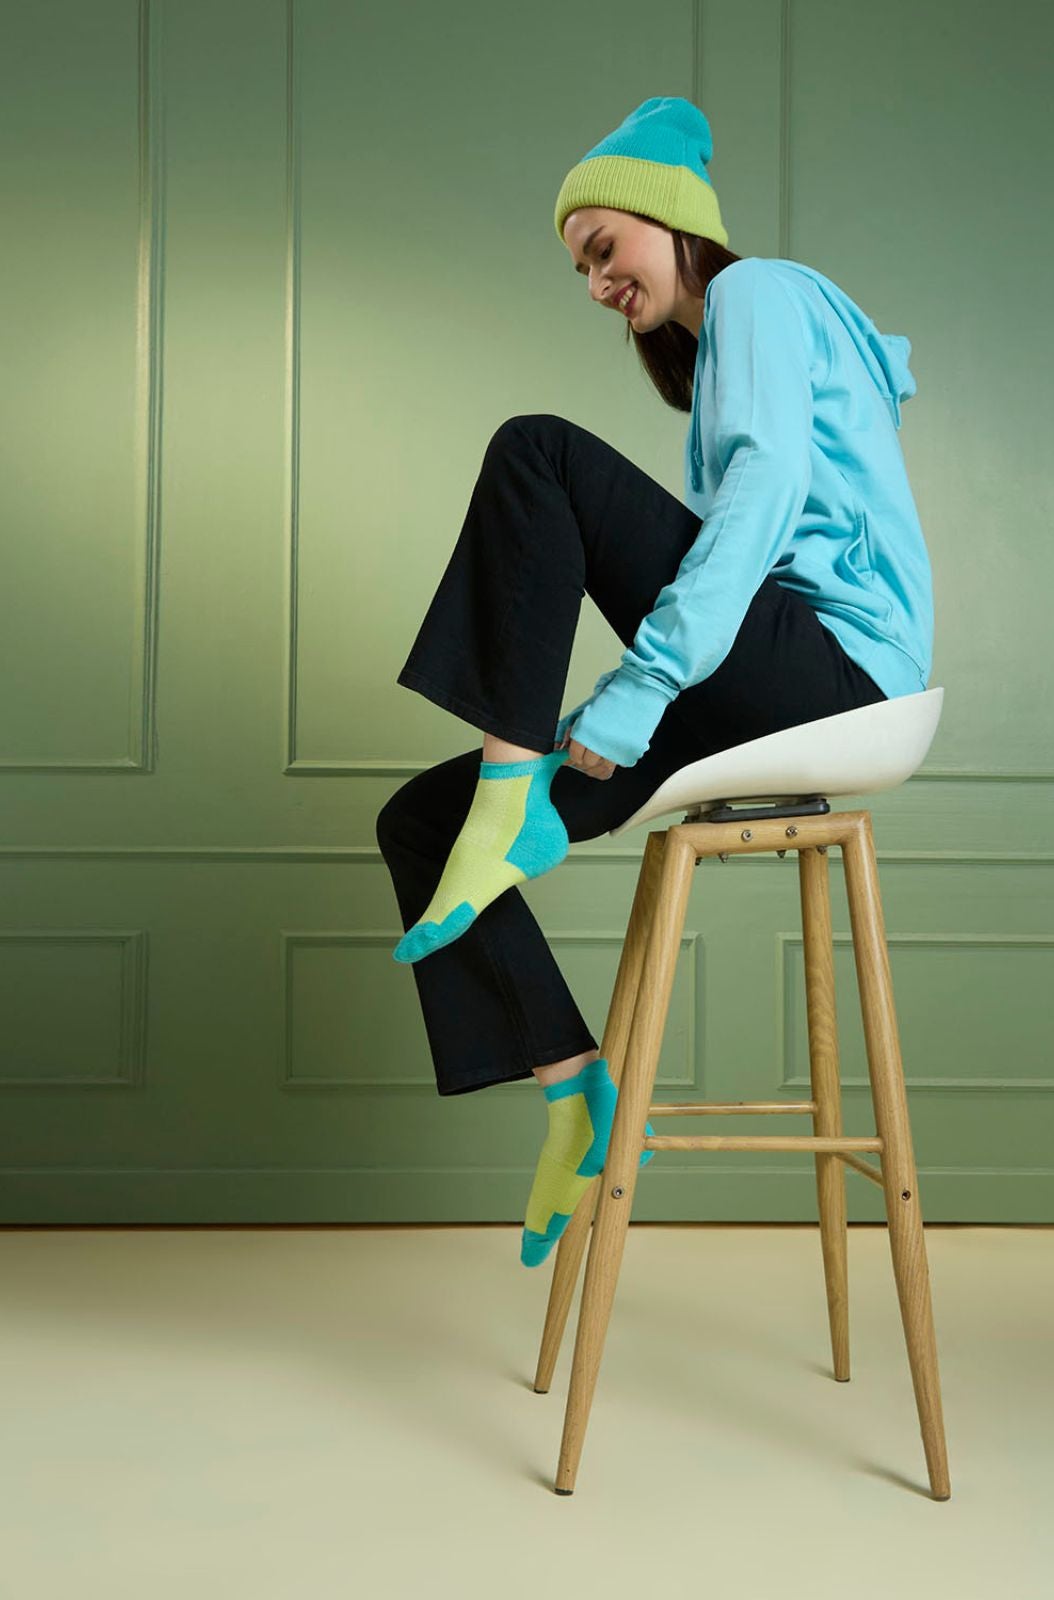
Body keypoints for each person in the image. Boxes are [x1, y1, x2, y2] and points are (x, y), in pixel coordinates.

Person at [375, 95, 934, 1265]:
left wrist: (632, 697)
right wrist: (603, 712)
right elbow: (723, 571)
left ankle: (506, 793)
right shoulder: (713, 357)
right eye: (579, 269)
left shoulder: (757, 291)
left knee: (536, 450)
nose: (594, 284)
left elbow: (762, 496)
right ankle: (573, 1092)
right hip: (764, 676)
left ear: (672, 219)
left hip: (838, 671)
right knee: (418, 820)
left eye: (603, 248)